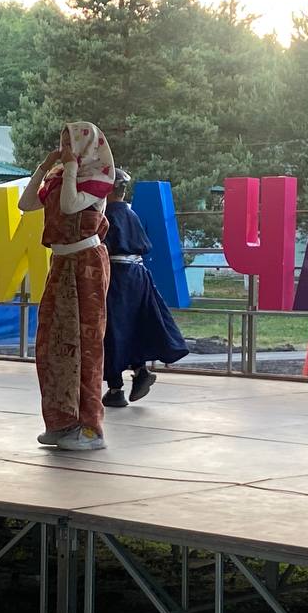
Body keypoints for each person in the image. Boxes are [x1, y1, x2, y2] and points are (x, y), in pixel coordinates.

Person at [19, 122, 114, 451]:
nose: (64, 149)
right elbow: (26, 203)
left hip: (85, 264)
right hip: (60, 263)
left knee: (85, 345)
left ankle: (90, 427)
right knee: (54, 343)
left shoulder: (97, 179)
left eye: (70, 143)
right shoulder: (59, 177)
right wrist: (44, 167)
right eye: (62, 143)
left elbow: (71, 206)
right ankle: (62, 419)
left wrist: (70, 166)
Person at [101, 169, 189, 407]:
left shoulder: (105, 216)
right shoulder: (131, 214)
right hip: (138, 276)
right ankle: (139, 371)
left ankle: (115, 388)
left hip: (116, 277)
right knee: (135, 324)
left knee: (112, 329)